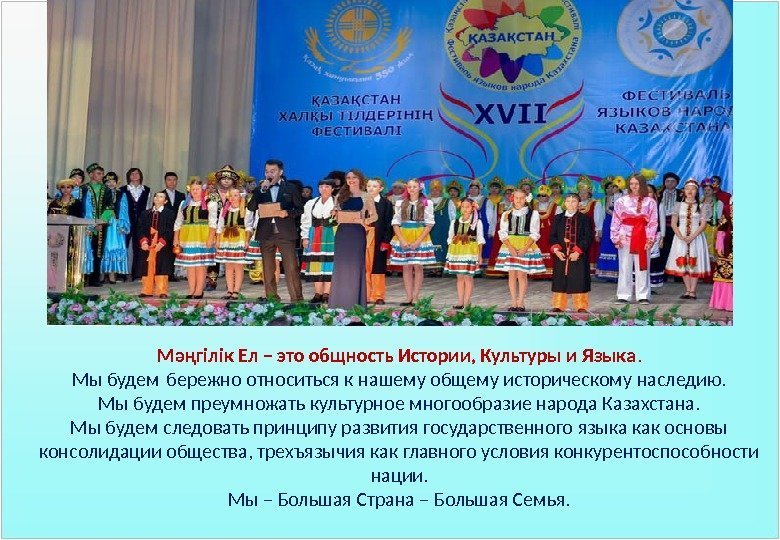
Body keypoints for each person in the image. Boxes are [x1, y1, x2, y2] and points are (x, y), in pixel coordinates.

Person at [245, 159, 304, 303]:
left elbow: (300, 209)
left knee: (291, 267)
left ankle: (297, 300)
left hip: (285, 232)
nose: (269, 174)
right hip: (266, 232)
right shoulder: (261, 189)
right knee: (268, 268)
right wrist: (261, 190)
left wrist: (287, 212)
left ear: (280, 172)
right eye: (267, 171)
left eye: (272, 171)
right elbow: (251, 207)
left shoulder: (290, 188)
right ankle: (272, 299)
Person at [328, 169, 377, 309]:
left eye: (354, 177)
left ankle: (355, 302)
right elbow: (334, 214)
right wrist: (333, 213)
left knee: (356, 267)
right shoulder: (340, 195)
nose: (351, 180)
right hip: (342, 233)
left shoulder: (366, 196)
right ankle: (338, 303)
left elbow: (375, 216)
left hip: (357, 234)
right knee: (341, 267)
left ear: (360, 179)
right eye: (349, 177)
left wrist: (364, 221)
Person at [610, 173, 658, 305]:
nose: (634, 186)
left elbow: (653, 222)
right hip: (624, 236)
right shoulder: (621, 201)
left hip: (642, 235)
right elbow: (616, 220)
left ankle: (643, 295)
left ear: (642, 184)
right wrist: (615, 237)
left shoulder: (650, 202)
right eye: (631, 184)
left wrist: (650, 239)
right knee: (624, 266)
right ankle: (623, 295)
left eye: (637, 184)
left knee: (642, 266)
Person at [495, 188, 545, 311]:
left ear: (526, 199)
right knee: (512, 275)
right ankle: (513, 302)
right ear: (513, 198)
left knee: (522, 275)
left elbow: (535, 233)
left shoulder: (533, 214)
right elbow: (502, 232)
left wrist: (525, 248)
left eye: (521, 198)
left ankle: (521, 302)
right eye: (516, 197)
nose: (518, 200)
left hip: (525, 245)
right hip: (510, 245)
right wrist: (510, 247)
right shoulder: (506, 214)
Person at [390, 178, 436, 305]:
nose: (412, 189)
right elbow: (396, 222)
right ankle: (408, 297)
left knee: (418, 266)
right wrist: (401, 239)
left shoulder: (426, 203)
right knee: (406, 267)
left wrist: (419, 241)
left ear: (420, 187)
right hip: (404, 234)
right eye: (409, 187)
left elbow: (429, 224)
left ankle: (415, 297)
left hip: (419, 234)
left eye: (414, 187)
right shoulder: (401, 203)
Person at [664, 178, 711, 299]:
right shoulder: (678, 205)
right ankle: (687, 290)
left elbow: (703, 224)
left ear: (697, 191)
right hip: (681, 236)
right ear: (684, 191)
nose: (690, 191)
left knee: (694, 262)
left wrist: (692, 237)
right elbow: (674, 223)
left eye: (693, 189)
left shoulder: (702, 206)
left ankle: (693, 291)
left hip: (696, 236)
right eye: (687, 189)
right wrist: (681, 236)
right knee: (683, 262)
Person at [173, 177, 218, 299]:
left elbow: (213, 222)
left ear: (202, 189)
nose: (195, 191)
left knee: (200, 264)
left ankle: (199, 290)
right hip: (187, 237)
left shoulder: (210, 203)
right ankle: (191, 289)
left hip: (202, 236)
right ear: (189, 190)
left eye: (197, 189)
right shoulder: (184, 204)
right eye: (193, 189)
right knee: (190, 265)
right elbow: (178, 222)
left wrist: (211, 238)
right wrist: (176, 238)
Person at [549, 193, 593, 312]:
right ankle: (558, 305)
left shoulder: (585, 218)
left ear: (579, 204)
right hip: (561, 254)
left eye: (574, 201)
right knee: (560, 279)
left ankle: (581, 305)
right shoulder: (558, 218)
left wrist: (578, 251)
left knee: (579, 278)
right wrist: (556, 250)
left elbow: (587, 237)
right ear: (564, 203)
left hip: (578, 255)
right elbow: (552, 236)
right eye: (568, 201)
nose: (571, 203)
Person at [300, 178, 337, 303]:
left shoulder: (338, 203)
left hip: (331, 235)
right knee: (316, 263)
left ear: (333, 189)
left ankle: (327, 293)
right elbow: (305, 221)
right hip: (315, 235)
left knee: (329, 264)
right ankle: (318, 293)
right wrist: (305, 237)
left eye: (327, 187)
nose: (324, 189)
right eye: (321, 186)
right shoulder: (311, 203)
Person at [444, 197, 485, 308]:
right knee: (459, 277)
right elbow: (450, 238)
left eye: (467, 207)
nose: (465, 209)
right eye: (463, 207)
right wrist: (451, 251)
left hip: (470, 252)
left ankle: (466, 303)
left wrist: (480, 256)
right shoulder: (455, 222)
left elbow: (480, 240)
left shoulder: (477, 222)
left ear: (472, 208)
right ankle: (460, 302)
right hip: (457, 252)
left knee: (468, 277)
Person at [137, 191, 176, 298]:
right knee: (147, 267)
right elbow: (140, 228)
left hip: (162, 246)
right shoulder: (145, 213)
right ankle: (146, 290)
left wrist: (161, 242)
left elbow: (170, 229)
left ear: (165, 201)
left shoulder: (169, 213)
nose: (158, 198)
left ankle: (161, 291)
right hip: (148, 246)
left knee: (161, 267)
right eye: (156, 196)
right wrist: (143, 241)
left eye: (161, 197)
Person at [215, 187, 250, 300]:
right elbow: (220, 226)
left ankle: (236, 290)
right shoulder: (225, 210)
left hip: (239, 238)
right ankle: (229, 290)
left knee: (238, 265)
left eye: (236, 195)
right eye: (231, 196)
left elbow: (248, 226)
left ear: (240, 197)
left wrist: (247, 240)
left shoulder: (245, 209)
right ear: (228, 198)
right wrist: (218, 240)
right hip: (226, 238)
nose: (233, 198)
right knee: (228, 265)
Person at [82, 163, 114, 287]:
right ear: (91, 175)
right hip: (85, 225)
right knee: (84, 250)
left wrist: (101, 222)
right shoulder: (83, 189)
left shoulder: (106, 189)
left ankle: (94, 278)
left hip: (100, 226)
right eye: (98, 173)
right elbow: (81, 207)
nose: (101, 176)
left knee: (98, 251)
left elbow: (109, 207)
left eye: (102, 174)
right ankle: (83, 277)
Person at [365, 177, 394, 305]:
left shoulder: (386, 203)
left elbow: (388, 223)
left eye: (374, 186)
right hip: (363, 238)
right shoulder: (362, 202)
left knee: (378, 267)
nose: (371, 188)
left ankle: (378, 295)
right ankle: (365, 294)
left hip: (378, 239)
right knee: (364, 267)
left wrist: (386, 241)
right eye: (369, 186)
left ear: (381, 188)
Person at [120, 167, 151, 280]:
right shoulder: (123, 189)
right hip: (127, 221)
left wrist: (146, 222)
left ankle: (137, 272)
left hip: (141, 222)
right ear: (128, 176)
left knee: (139, 247)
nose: (134, 175)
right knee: (124, 246)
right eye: (132, 174)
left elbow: (147, 207)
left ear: (140, 175)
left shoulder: (146, 190)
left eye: (137, 173)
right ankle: (122, 273)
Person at [100, 171, 130, 283]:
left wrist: (122, 225)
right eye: (108, 181)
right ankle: (101, 274)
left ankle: (112, 274)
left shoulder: (121, 195)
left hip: (115, 225)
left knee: (113, 247)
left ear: (117, 182)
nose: (111, 184)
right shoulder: (101, 194)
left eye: (113, 181)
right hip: (103, 223)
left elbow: (124, 211)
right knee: (103, 248)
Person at [595, 176, 624, 281]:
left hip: (621, 223)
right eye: (610, 187)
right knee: (607, 245)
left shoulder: (624, 196)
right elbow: (607, 209)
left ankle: (620, 273)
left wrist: (618, 217)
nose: (612, 189)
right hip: (609, 223)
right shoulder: (608, 198)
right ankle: (606, 272)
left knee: (619, 246)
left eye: (614, 187)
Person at [533, 183, 562, 279]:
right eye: (539, 195)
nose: (541, 197)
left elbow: (560, 222)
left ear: (548, 196)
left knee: (551, 250)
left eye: (544, 195)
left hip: (550, 233)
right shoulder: (533, 206)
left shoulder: (556, 206)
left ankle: (551, 272)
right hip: (537, 234)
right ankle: (537, 273)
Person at [577, 176, 604, 273]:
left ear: (589, 193)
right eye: (580, 193)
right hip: (577, 233)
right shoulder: (575, 204)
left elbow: (598, 219)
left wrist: (597, 232)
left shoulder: (595, 204)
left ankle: (591, 270)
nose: (582, 195)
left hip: (591, 232)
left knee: (591, 250)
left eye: (585, 193)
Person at [710, 196, 733, 311]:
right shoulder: (728, 208)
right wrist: (719, 244)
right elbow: (722, 227)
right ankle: (726, 302)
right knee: (727, 273)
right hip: (730, 245)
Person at [658, 171, 682, 275]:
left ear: (677, 183)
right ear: (664, 183)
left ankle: (677, 274)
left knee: (678, 249)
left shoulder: (682, 194)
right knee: (663, 250)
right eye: (667, 181)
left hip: (677, 226)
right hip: (662, 226)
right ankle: (662, 272)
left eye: (673, 181)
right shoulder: (659, 194)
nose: (670, 183)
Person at [428, 179, 450, 277]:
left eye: (437, 189)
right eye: (433, 189)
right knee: (430, 247)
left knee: (442, 247)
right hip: (430, 229)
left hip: (443, 228)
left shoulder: (447, 201)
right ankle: (432, 268)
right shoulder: (426, 202)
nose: (435, 191)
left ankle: (441, 268)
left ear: (441, 191)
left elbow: (452, 216)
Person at [646, 184, 665, 290]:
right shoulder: (638, 204)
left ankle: (651, 285)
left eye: (649, 192)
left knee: (653, 260)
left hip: (654, 235)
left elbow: (662, 221)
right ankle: (640, 284)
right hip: (640, 235)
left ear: (654, 193)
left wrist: (662, 237)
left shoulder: (659, 205)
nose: (647, 194)